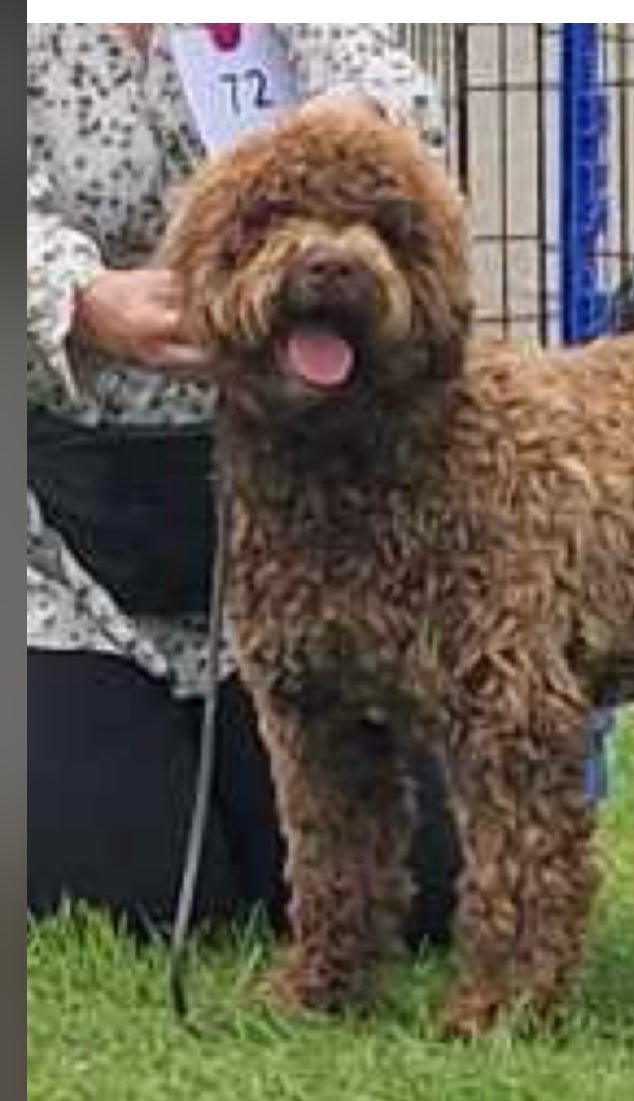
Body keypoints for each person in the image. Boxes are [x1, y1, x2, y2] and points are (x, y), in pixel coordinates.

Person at [26, 23, 459, 944]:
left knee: (426, 893)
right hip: (56, 543)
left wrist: (354, 122)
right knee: (132, 901)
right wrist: (77, 296)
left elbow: (399, 89)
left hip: (297, 517)